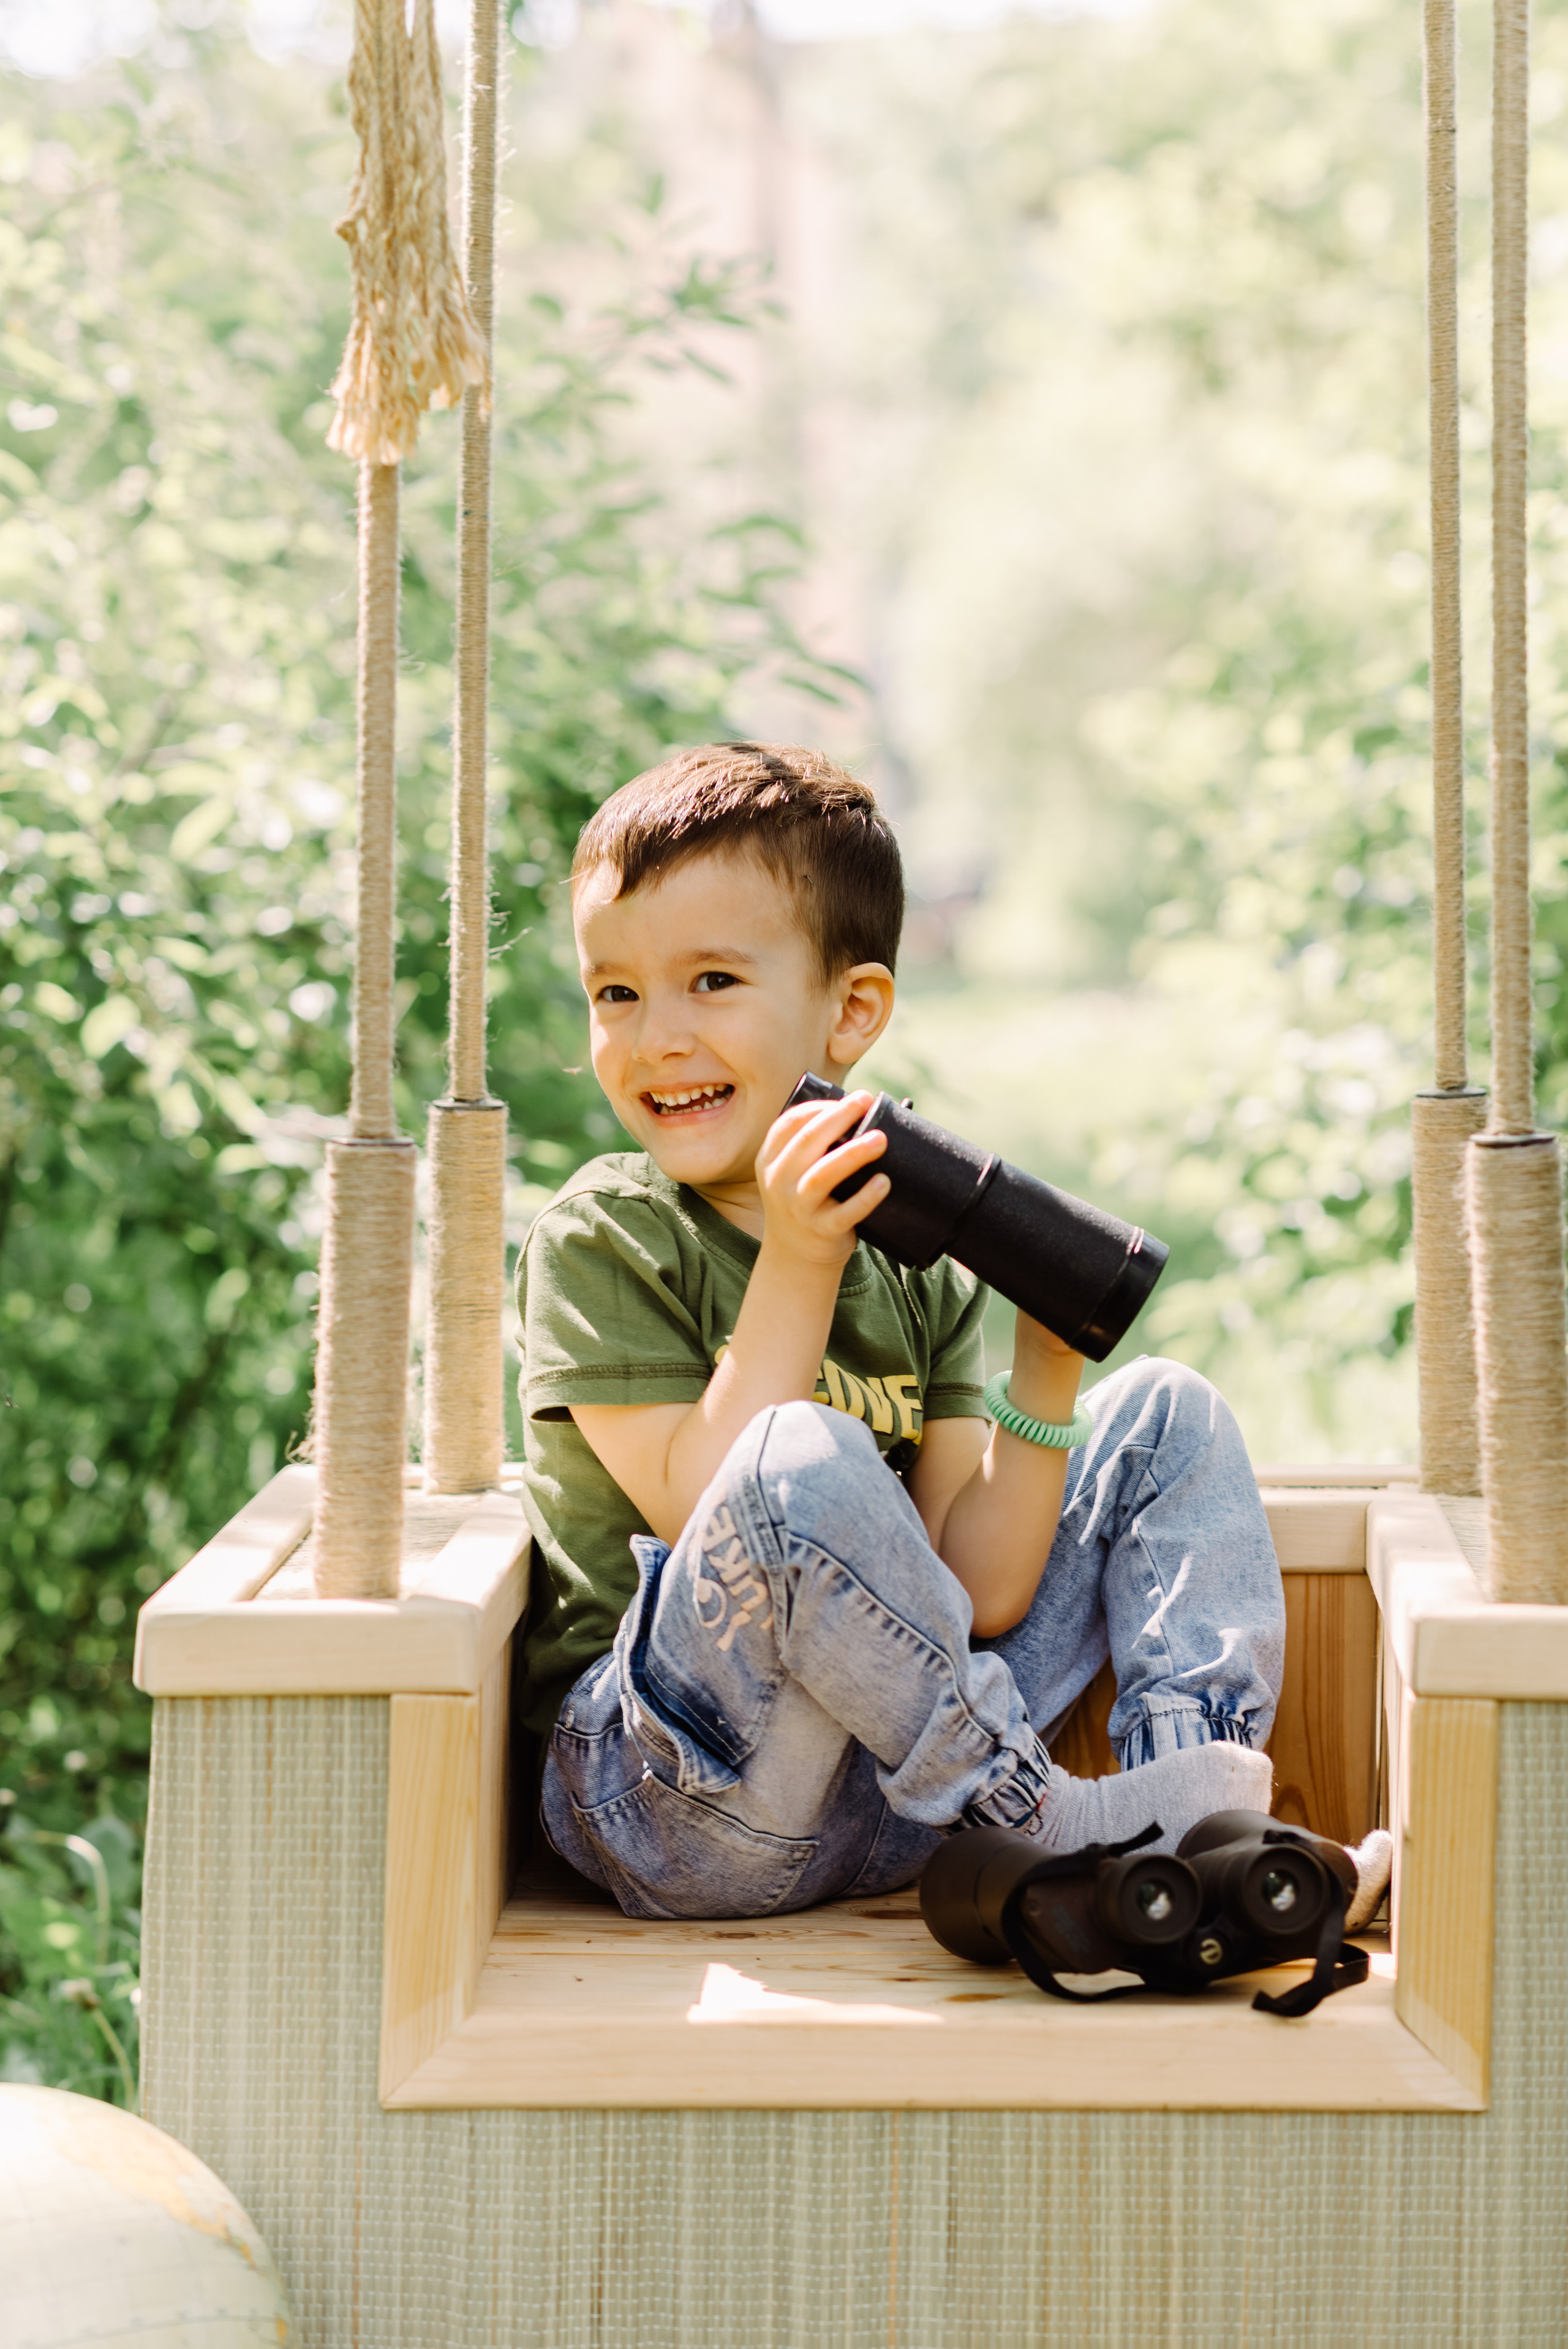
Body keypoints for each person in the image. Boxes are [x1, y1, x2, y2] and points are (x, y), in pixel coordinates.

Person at [514, 741, 1392, 1927]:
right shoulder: (606, 1235)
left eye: (710, 982)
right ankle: (1048, 1829)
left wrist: (1046, 1362)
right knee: (797, 1456)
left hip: (888, 1798)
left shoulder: (909, 1262)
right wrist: (798, 1255)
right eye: (615, 992)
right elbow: (706, 1503)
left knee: (1165, 1411)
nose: (653, 1035)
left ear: (850, 1011)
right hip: (679, 1799)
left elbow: (972, 1591)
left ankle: (1199, 1831)